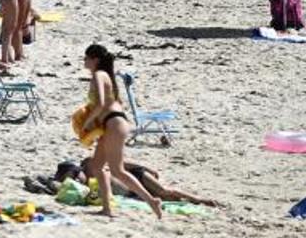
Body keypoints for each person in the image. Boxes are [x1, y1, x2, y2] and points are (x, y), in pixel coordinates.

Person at [80, 45, 162, 219]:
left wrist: (87, 123)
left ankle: (151, 200)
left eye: (86, 57)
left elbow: (102, 103)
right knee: (96, 166)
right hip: (111, 123)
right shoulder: (106, 76)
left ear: (95, 59)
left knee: (117, 170)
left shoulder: (99, 75)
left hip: (114, 123)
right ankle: (107, 207)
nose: (84, 61)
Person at [54, 159, 219, 206]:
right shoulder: (79, 186)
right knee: (169, 201)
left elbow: (120, 163)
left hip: (136, 176)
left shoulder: (91, 164)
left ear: (78, 169)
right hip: (131, 193)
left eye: (75, 176)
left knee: (164, 192)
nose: (76, 181)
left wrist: (146, 167)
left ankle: (199, 199)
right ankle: (192, 202)